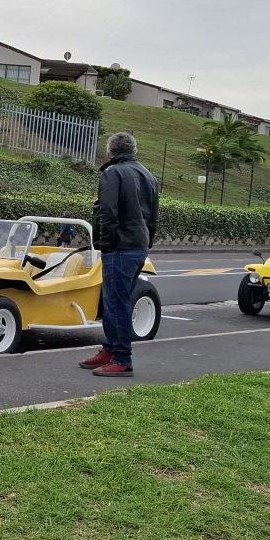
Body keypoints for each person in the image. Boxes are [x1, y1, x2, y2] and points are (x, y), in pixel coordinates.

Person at [80, 132, 159, 377]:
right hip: (138, 244)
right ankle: (111, 349)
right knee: (116, 299)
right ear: (134, 150)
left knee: (115, 302)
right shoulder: (148, 175)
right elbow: (154, 216)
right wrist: (146, 241)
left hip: (119, 246)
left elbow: (107, 212)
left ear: (110, 151)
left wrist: (105, 243)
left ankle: (122, 358)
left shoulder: (112, 173)